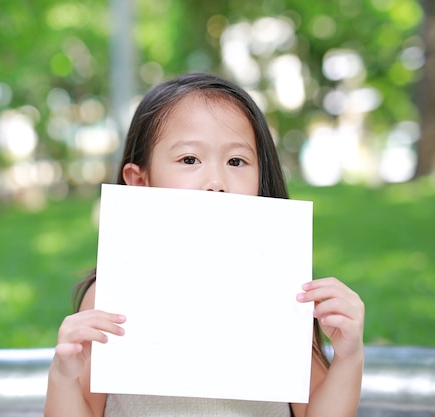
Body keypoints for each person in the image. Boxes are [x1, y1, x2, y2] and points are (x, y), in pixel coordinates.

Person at [44, 72, 365, 417]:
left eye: (236, 161)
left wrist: (349, 357)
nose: (216, 182)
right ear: (140, 182)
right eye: (189, 160)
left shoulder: (285, 295)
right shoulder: (111, 295)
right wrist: (64, 376)